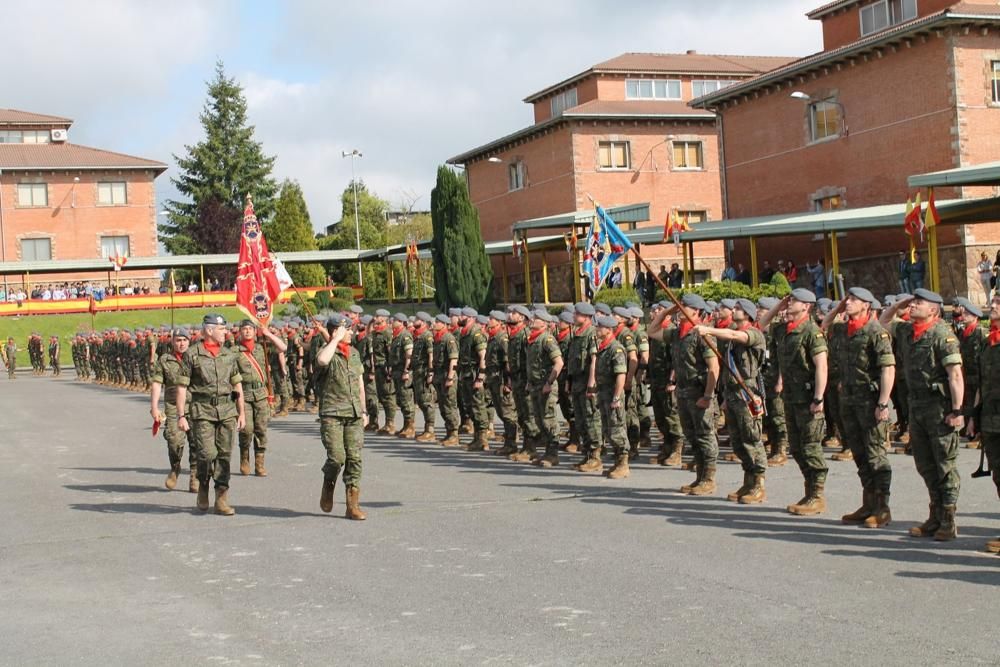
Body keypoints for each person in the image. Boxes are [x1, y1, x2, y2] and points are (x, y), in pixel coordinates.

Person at [880, 289, 964, 540]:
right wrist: (900, 303)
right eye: (913, 301)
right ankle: (935, 514)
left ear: (934, 310)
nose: (914, 305)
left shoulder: (942, 335)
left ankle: (948, 520)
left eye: (919, 302)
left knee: (944, 465)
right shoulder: (907, 331)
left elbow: (955, 375)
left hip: (939, 409)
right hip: (916, 407)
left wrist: (958, 411)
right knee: (925, 464)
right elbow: (884, 321)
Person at [826, 288, 896, 528]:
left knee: (875, 454)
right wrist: (840, 305)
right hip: (849, 400)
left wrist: (883, 402)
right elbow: (825, 323)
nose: (848, 302)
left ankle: (882, 507)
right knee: (859, 453)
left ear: (867, 305)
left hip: (870, 401)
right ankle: (868, 503)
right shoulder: (843, 329)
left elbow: (888, 368)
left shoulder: (876, 332)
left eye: (854, 300)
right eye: (848, 298)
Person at [696, 298, 768, 504]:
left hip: (748, 393)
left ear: (747, 314)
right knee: (738, 441)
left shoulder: (754, 334)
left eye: (737, 309)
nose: (733, 311)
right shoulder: (729, 337)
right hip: (733, 394)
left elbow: (735, 335)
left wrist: (709, 331)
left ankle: (759, 484)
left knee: (752, 440)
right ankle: (748, 480)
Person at [649, 293, 721, 496]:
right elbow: (652, 330)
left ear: (696, 311)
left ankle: (709, 478)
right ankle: (699, 476)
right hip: (682, 392)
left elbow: (713, 367)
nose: (680, 309)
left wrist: (708, 396)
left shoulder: (703, 334)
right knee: (692, 436)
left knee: (705, 436)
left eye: (685, 307)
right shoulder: (678, 333)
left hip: (699, 391)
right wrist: (667, 311)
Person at [176, 314, 246, 516]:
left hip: (227, 411)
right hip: (202, 412)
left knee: (224, 455)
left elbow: (237, 384)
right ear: (209, 330)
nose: (226, 332)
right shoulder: (192, 355)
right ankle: (204, 485)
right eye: (222, 328)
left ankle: (221, 498)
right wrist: (181, 415)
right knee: (206, 454)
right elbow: (182, 387)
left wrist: (242, 412)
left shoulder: (228, 355)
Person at [768, 288, 829, 515]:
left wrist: (819, 397)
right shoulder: (784, 330)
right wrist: (780, 305)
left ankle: (817, 495)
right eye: (789, 299)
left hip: (808, 399)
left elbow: (821, 366)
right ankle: (809, 491)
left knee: (811, 447)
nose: (789, 302)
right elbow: (762, 323)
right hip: (791, 398)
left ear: (807, 306)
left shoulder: (812, 332)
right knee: (796, 447)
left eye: (794, 300)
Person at [315, 313, 367, 520]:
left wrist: (363, 410)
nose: (352, 332)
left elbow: (360, 382)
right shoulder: (327, 351)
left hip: (354, 413)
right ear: (336, 331)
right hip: (333, 413)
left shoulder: (354, 353)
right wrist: (335, 339)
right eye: (348, 329)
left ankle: (352, 505)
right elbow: (321, 360)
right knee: (337, 458)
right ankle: (328, 484)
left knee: (355, 458)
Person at [235, 319, 288, 477]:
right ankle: (244, 457)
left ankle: (259, 462)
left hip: (261, 394)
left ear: (254, 331)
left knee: (261, 429)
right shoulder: (235, 351)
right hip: (243, 394)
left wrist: (268, 334)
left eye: (250, 329)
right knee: (246, 429)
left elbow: (283, 347)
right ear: (240, 332)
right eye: (244, 329)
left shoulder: (262, 347)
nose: (247, 331)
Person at [150, 328, 199, 493]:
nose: (181, 343)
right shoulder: (165, 360)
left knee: (197, 442)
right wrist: (154, 407)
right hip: (172, 406)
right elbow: (157, 383)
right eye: (178, 340)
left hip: (196, 404)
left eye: (184, 340)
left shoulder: (197, 358)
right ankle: (175, 466)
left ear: (189, 341)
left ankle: (195, 475)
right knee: (174, 440)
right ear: (172, 342)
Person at [970, 293, 1000, 554]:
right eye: (993, 302)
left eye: (998, 304)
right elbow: (982, 382)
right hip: (991, 419)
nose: (993, 306)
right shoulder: (989, 342)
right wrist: (974, 416)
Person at [519, 311, 563, 466]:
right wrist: (529, 381)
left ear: (544, 323)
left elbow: (559, 362)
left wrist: (549, 382)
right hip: (535, 385)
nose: (532, 320)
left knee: (549, 420)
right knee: (539, 420)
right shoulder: (533, 339)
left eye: (536, 318)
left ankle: (553, 454)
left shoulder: (547, 339)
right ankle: (546, 453)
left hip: (546, 386)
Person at [592, 314, 629, 477]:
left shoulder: (616, 348)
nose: (597, 329)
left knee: (617, 430)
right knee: (608, 429)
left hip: (613, 395)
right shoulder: (603, 347)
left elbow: (621, 375)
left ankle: (623, 464)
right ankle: (617, 462)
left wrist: (616, 397)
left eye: (599, 327)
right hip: (604, 394)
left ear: (608, 330)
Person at [456, 307, 490, 450]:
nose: (459, 317)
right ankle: (477, 438)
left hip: (475, 375)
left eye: (462, 315)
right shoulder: (465, 333)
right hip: (466, 375)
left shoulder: (476, 333)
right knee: (470, 406)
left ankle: (482, 439)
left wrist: (480, 377)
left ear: (469, 317)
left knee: (478, 406)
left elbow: (483, 356)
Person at [485, 310, 517, 455]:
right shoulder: (493, 337)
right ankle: (509, 441)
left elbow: (507, 362)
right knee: (501, 411)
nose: (489, 321)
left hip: (501, 380)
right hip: (494, 380)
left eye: (491, 319)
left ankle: (512, 442)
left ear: (498, 322)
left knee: (507, 411)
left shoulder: (502, 338)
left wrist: (508, 383)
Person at [432, 314, 461, 446]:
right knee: (443, 406)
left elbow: (453, 359)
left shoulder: (449, 338)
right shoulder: (438, 338)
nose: (435, 323)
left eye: (438, 322)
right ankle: (449, 432)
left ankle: (454, 434)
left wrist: (450, 376)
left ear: (444, 324)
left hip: (447, 376)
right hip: (439, 375)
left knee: (450, 405)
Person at [410, 312, 437, 443]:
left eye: (417, 319)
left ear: (424, 322)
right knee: (421, 400)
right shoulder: (418, 336)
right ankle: (427, 428)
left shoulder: (427, 336)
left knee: (427, 401)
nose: (414, 320)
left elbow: (431, 355)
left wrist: (430, 372)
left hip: (425, 371)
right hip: (418, 372)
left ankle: (430, 430)